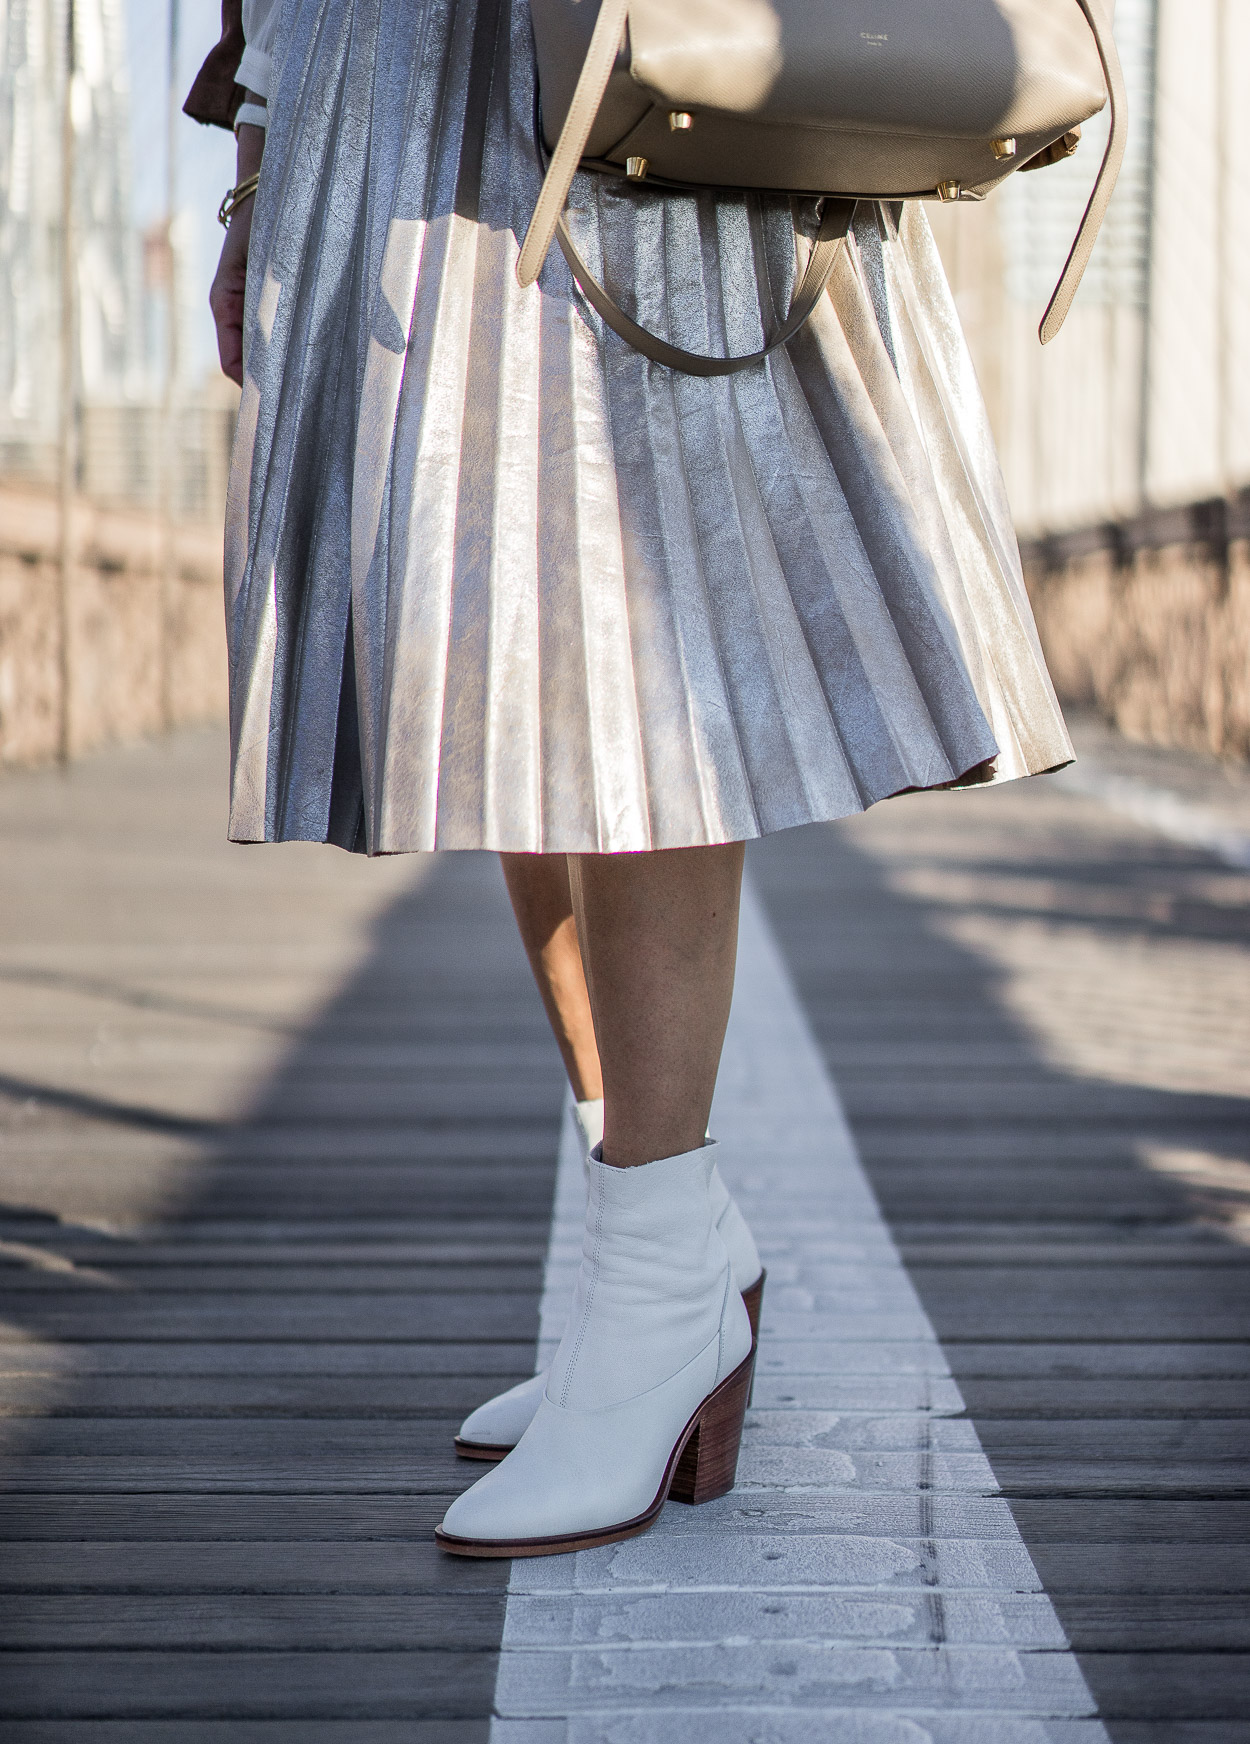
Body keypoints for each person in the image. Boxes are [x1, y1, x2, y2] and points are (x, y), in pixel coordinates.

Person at [190, 0, 1073, 1558]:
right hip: (387, 80)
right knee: (488, 671)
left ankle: (660, 1276)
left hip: (633, 69)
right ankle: (653, 1266)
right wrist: (258, 161)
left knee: (625, 627)